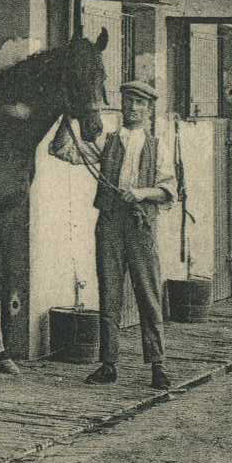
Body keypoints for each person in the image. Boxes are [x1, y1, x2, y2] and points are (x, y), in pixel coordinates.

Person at [65, 77, 175, 391]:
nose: (134, 108)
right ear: (121, 105)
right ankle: (109, 364)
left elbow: (168, 189)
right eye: (129, 101)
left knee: (148, 294)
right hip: (110, 225)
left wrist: (141, 194)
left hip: (141, 226)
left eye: (141, 103)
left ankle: (157, 366)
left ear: (149, 108)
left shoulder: (158, 145)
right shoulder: (108, 140)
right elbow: (65, 150)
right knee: (109, 293)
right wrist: (69, 117)